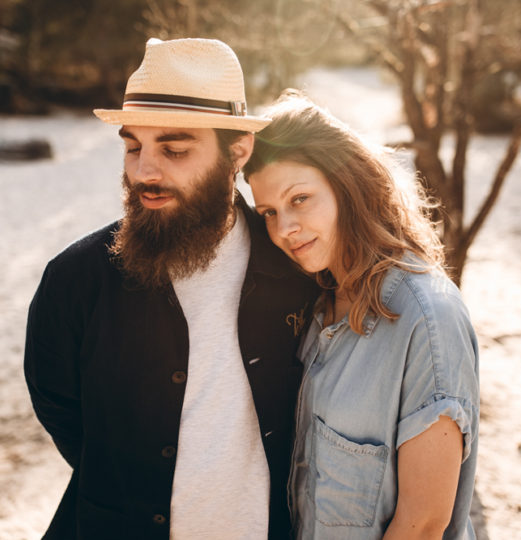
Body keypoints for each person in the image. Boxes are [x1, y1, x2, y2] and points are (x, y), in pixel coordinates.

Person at [24, 40, 318, 539]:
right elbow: (60, 409)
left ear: (238, 151)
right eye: (133, 145)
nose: (144, 172)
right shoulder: (74, 280)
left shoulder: (300, 272)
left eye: (174, 150)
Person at [243, 91, 480, 540]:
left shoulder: (428, 318)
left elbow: (424, 524)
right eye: (268, 213)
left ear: (346, 184)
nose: (284, 229)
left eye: (300, 199)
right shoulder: (317, 305)